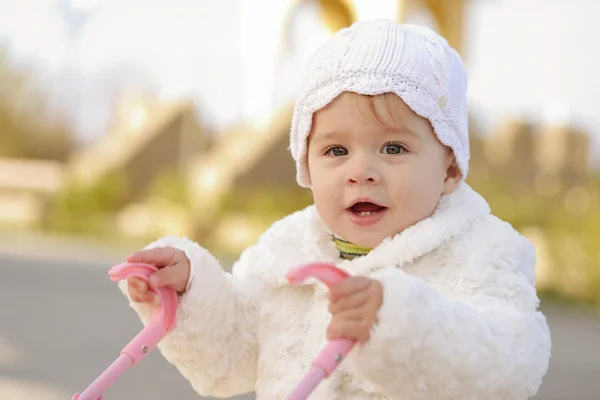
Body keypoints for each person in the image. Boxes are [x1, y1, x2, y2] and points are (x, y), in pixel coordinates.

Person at [120, 19, 551, 399]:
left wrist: (401, 323)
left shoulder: (479, 251)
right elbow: (236, 353)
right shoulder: (289, 248)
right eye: (337, 150)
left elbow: (509, 365)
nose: (361, 171)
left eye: (393, 147)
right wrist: (189, 291)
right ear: (305, 164)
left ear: (450, 167)